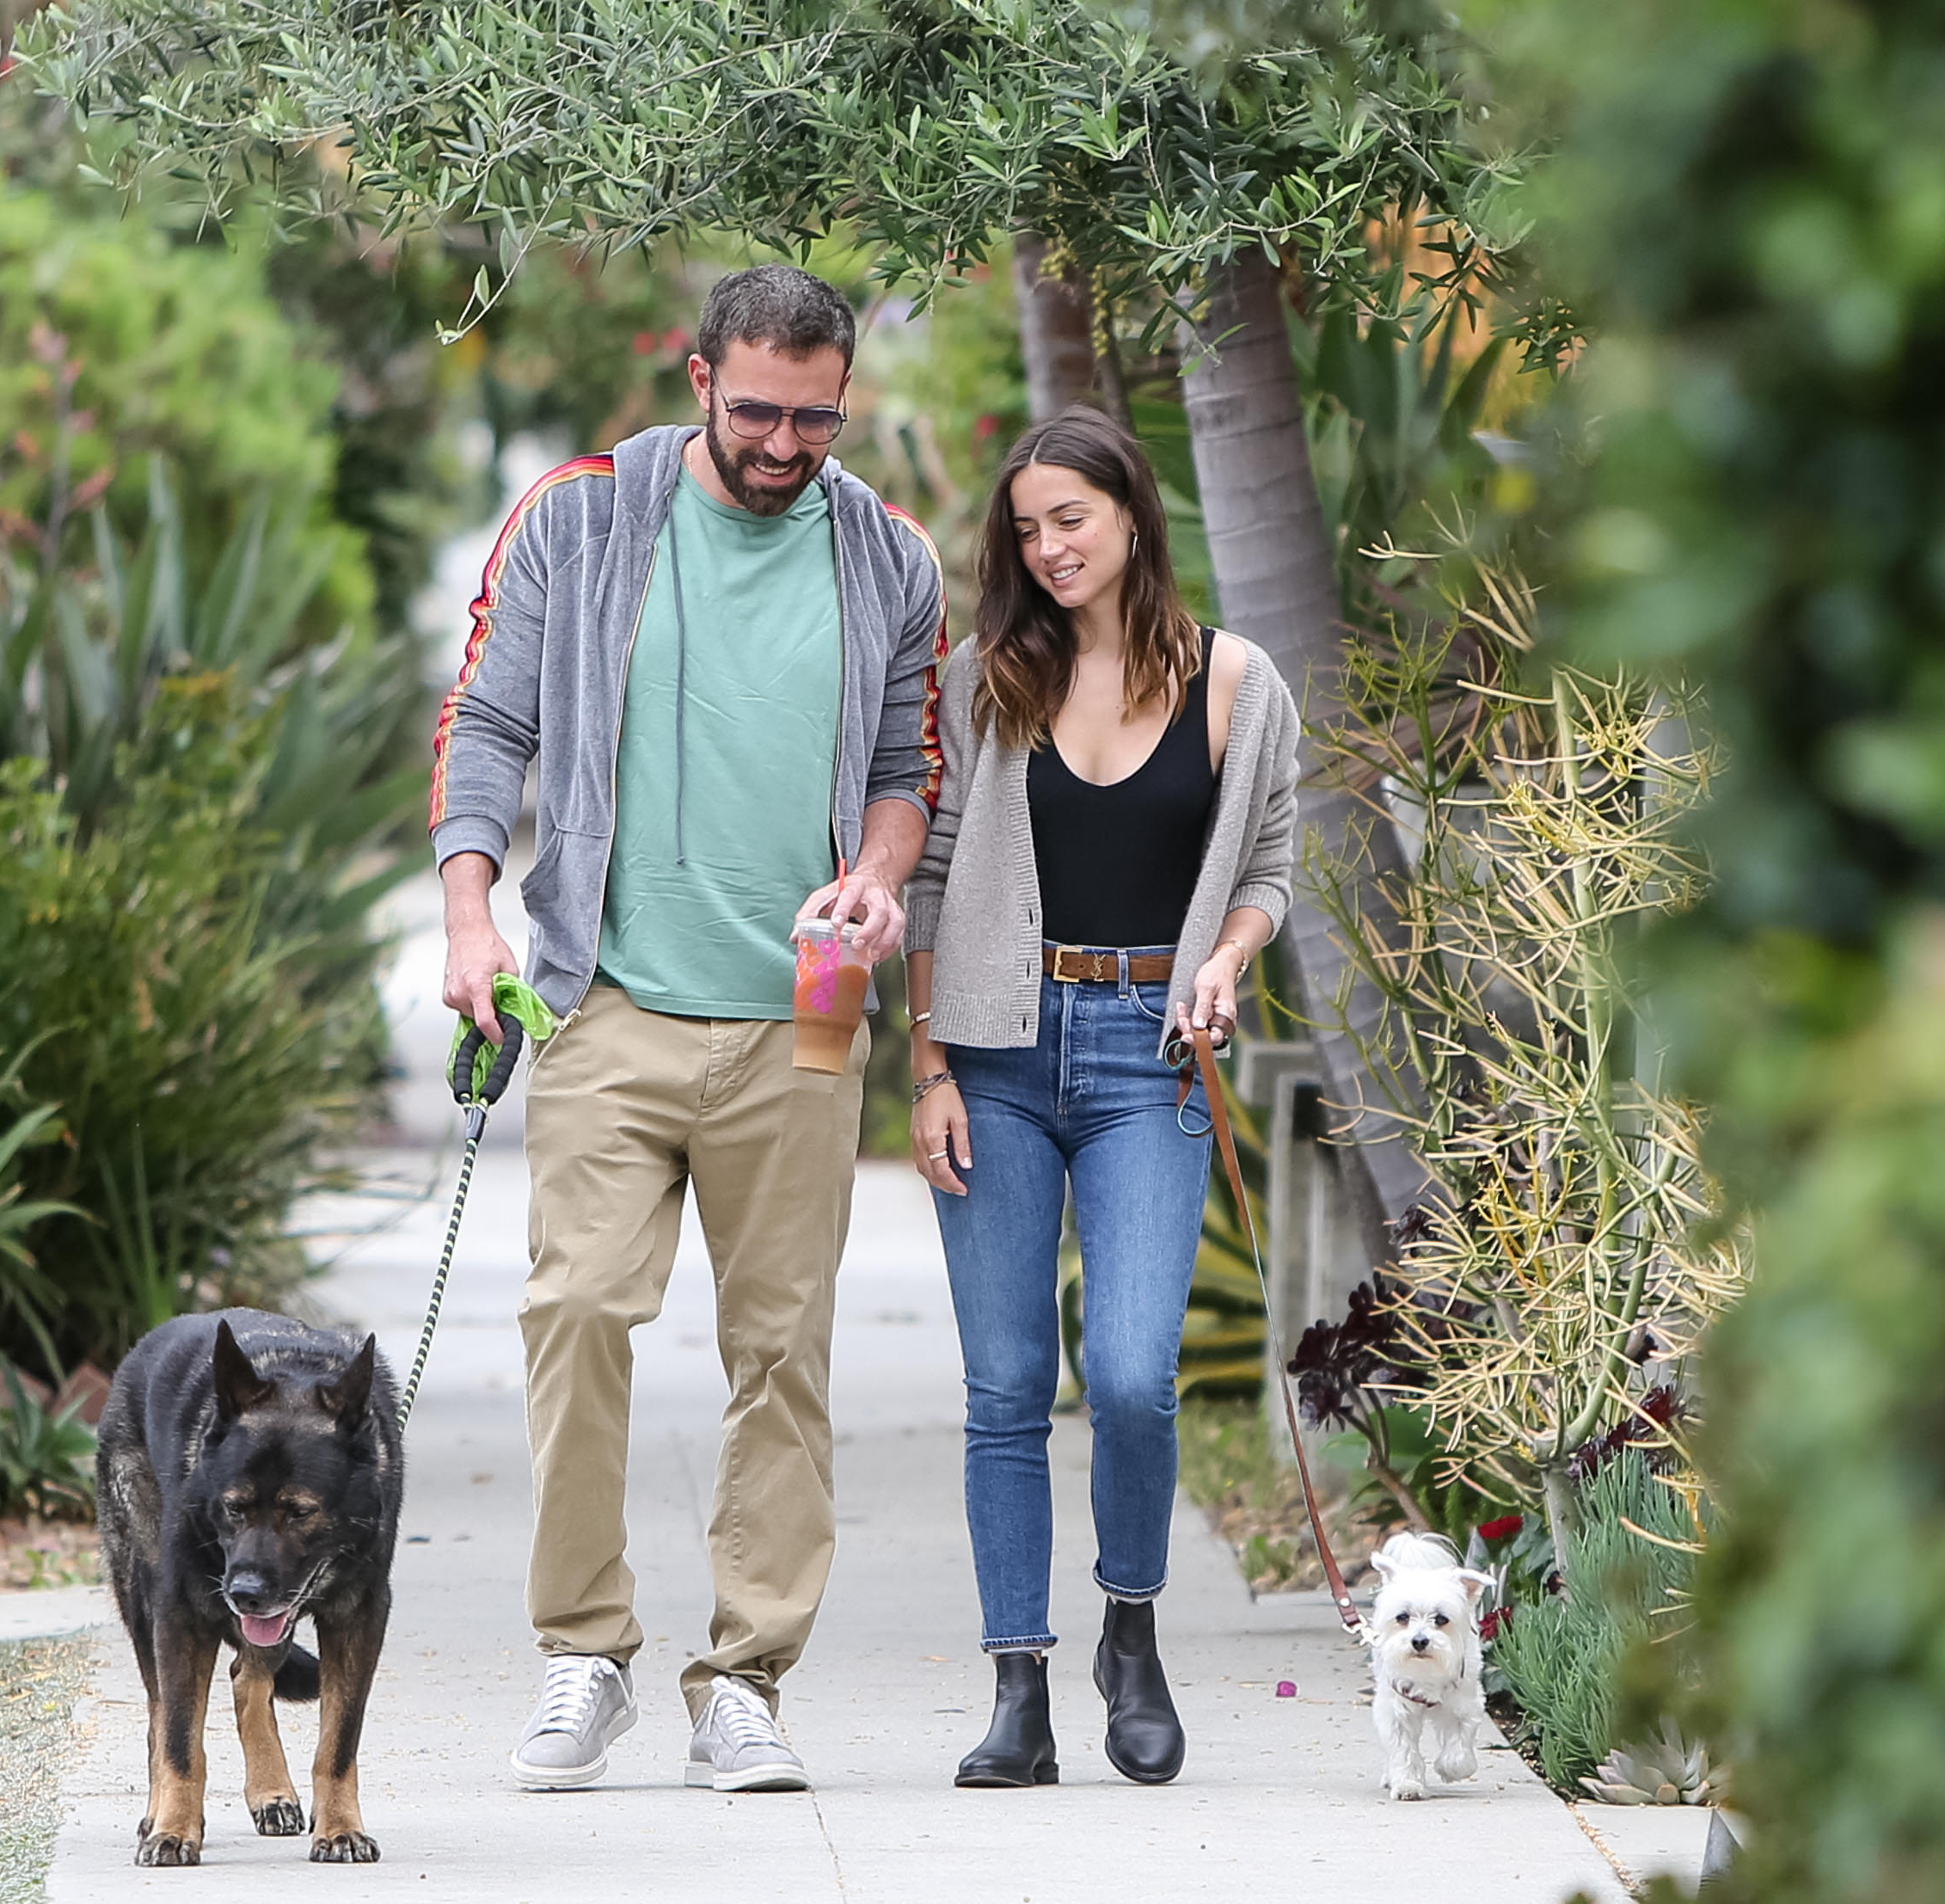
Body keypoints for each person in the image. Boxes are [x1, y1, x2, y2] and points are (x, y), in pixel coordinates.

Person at [429, 264, 946, 1794]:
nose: (787, 443)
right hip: (608, 1000)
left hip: (800, 1019)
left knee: (782, 1351)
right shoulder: (579, 516)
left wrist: (878, 875)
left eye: (817, 415)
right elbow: (486, 723)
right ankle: (585, 1653)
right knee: (578, 1310)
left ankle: (747, 1679)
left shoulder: (888, 554)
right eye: (760, 410)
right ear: (699, 375)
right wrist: (472, 920)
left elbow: (910, 768)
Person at [902, 404, 1301, 1788]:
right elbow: (933, 879)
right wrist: (931, 1068)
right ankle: (1019, 1686)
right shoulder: (983, 677)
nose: (1050, 545)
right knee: (1005, 1384)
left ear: (1131, 512)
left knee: (1132, 1375)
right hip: (998, 1056)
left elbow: (1268, 867)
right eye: (1026, 528)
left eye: (1070, 515)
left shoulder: (1237, 684)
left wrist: (1231, 960)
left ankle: (1130, 1634)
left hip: (1150, 1051)